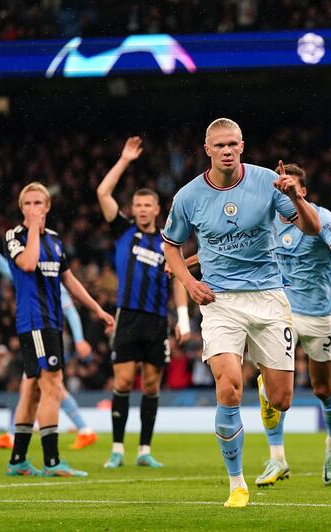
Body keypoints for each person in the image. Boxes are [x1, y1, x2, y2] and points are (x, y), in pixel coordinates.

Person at [162, 118, 320, 508]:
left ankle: (267, 391)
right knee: (229, 385)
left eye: (233, 144)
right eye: (220, 145)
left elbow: (313, 229)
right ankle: (237, 484)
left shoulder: (268, 181)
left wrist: (296, 197)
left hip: (268, 296)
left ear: (243, 146)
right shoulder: (187, 196)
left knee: (282, 400)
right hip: (221, 302)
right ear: (208, 150)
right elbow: (170, 247)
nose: (227, 150)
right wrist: (189, 282)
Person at [255, 163, 331, 487]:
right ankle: (277, 459)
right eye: (280, 188)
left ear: (302, 191)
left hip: (318, 314)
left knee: (322, 388)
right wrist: (185, 265)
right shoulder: (266, 220)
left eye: (291, 188)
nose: (285, 193)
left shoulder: (321, 218)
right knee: (273, 387)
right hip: (280, 312)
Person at [4, 182, 114, 477]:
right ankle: (52, 462)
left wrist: (97, 309)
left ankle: (17, 460)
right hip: (34, 322)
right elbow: (27, 264)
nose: (33, 209)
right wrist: (33, 232)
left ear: (48, 206)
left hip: (53, 323)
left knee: (31, 391)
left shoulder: (54, 240)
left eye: (38, 203)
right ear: (21, 208)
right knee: (52, 385)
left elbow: (69, 280)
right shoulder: (15, 236)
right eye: (27, 204)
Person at [96, 136, 190, 470]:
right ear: (132, 210)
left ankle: (144, 450)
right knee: (122, 382)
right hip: (128, 317)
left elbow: (178, 279)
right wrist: (124, 160)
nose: (142, 210)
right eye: (137, 205)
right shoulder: (123, 231)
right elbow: (102, 193)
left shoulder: (168, 242)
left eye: (147, 205)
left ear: (156, 209)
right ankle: (118, 448)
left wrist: (183, 318)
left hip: (156, 321)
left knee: (151, 385)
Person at [0, 234, 98, 451]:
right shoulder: (30, 275)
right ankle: (84, 430)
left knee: (37, 385)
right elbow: (8, 270)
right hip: (39, 333)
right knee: (44, 386)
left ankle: (15, 436)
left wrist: (80, 339)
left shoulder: (51, 280)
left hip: (49, 333)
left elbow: (70, 310)